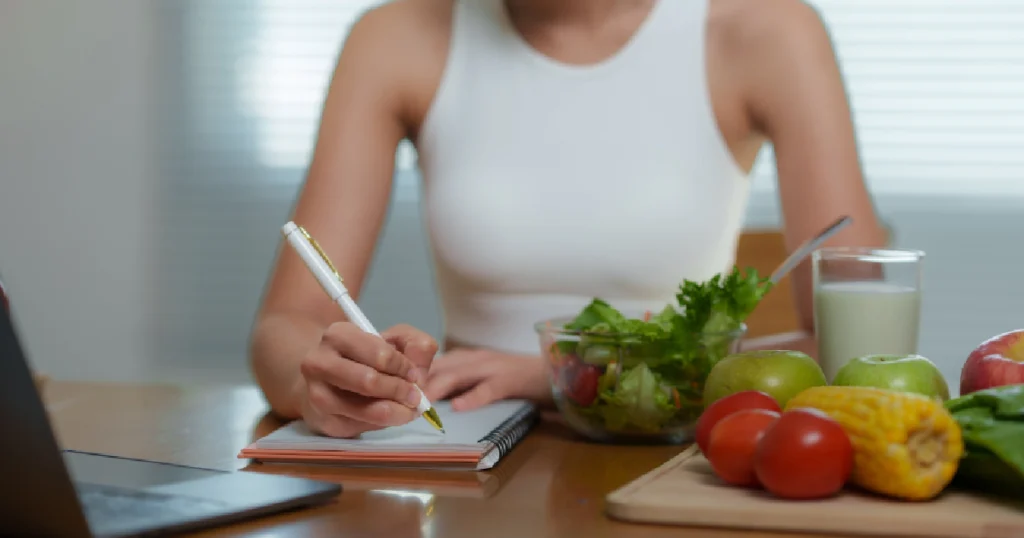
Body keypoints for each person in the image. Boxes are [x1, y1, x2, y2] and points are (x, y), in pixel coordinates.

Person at [248, 0, 888, 438]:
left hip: (675, 461)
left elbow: (859, 347)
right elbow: (285, 324)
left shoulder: (767, 32)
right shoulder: (397, 36)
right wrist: (327, 386)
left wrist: (563, 374)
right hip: (474, 461)